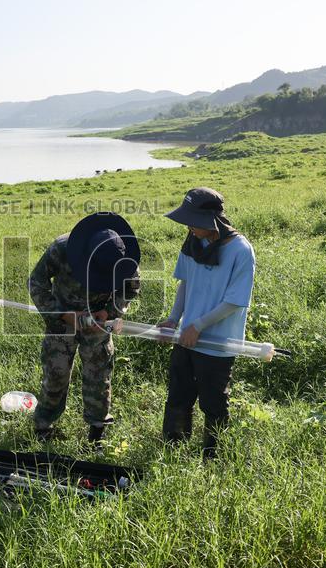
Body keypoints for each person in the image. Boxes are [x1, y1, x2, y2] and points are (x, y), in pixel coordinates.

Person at [158, 187, 255, 459]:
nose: (189, 227)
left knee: (213, 403)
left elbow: (235, 301)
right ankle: (173, 448)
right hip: (186, 338)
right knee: (178, 395)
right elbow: (185, 284)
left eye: (193, 221)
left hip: (217, 342)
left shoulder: (240, 250)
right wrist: (173, 319)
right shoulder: (192, 243)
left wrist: (198, 325)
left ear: (211, 221)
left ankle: (213, 457)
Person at [28, 212, 141, 447]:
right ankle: (43, 427)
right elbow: (36, 282)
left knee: (99, 376)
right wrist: (61, 313)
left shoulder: (125, 259)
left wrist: (109, 312)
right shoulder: (61, 249)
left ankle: (97, 432)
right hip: (62, 321)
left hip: (98, 322)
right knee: (56, 374)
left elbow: (130, 289)